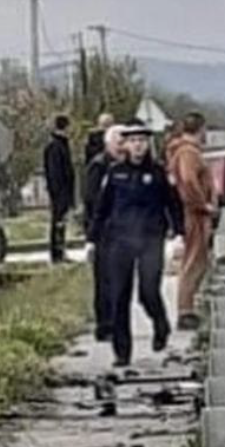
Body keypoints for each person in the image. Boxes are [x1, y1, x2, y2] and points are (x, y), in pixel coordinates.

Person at [90, 120, 184, 367]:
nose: (138, 146)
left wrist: (179, 234)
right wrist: (92, 239)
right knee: (119, 295)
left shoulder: (158, 172)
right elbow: (102, 208)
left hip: (150, 239)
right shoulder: (115, 173)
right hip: (120, 240)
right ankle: (122, 352)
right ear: (126, 146)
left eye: (142, 141)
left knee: (148, 292)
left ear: (147, 144)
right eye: (133, 141)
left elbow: (173, 204)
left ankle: (160, 323)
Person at [168, 112, 217, 331]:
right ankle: (185, 310)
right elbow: (188, 180)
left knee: (199, 260)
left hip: (195, 212)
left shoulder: (187, 151)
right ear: (201, 129)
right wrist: (202, 204)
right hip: (194, 214)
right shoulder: (188, 153)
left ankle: (189, 307)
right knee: (193, 261)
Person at [83, 125, 125, 342]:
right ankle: (105, 325)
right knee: (105, 282)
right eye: (118, 143)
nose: (122, 147)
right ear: (108, 144)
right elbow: (91, 201)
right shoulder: (98, 166)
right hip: (104, 233)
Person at [43, 114, 76, 263]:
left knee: (61, 223)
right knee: (58, 222)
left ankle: (60, 251)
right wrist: (58, 194)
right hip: (59, 193)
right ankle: (57, 253)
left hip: (64, 192)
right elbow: (55, 173)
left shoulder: (62, 144)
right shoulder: (55, 147)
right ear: (65, 127)